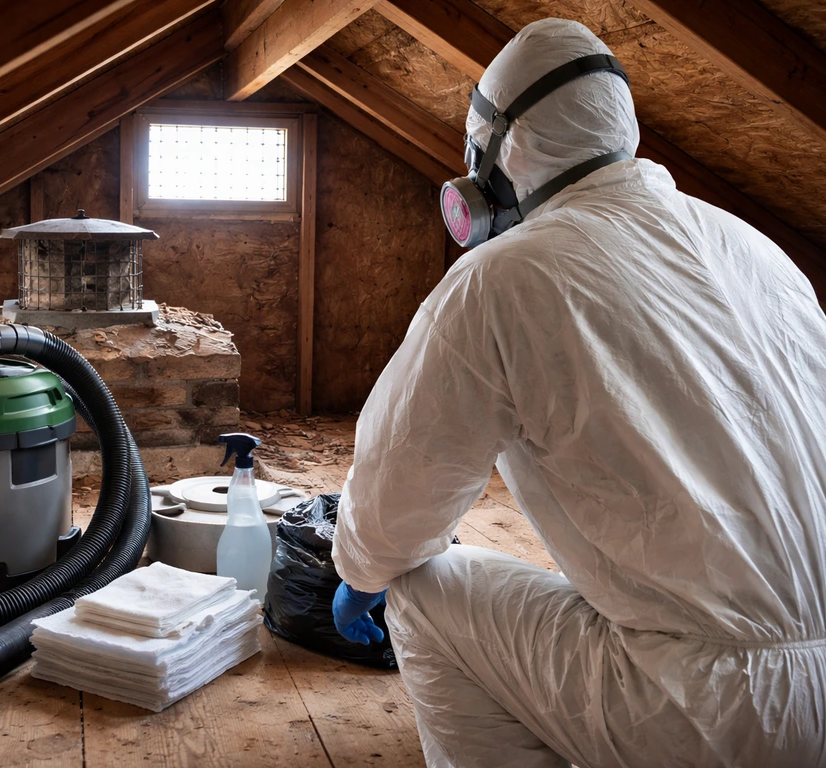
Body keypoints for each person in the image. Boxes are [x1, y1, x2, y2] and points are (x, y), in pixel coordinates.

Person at [330, 17, 826, 768]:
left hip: (708, 711)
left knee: (423, 588)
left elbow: (397, 497)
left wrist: (359, 572)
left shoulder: (500, 279)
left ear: (500, 153)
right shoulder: (757, 247)